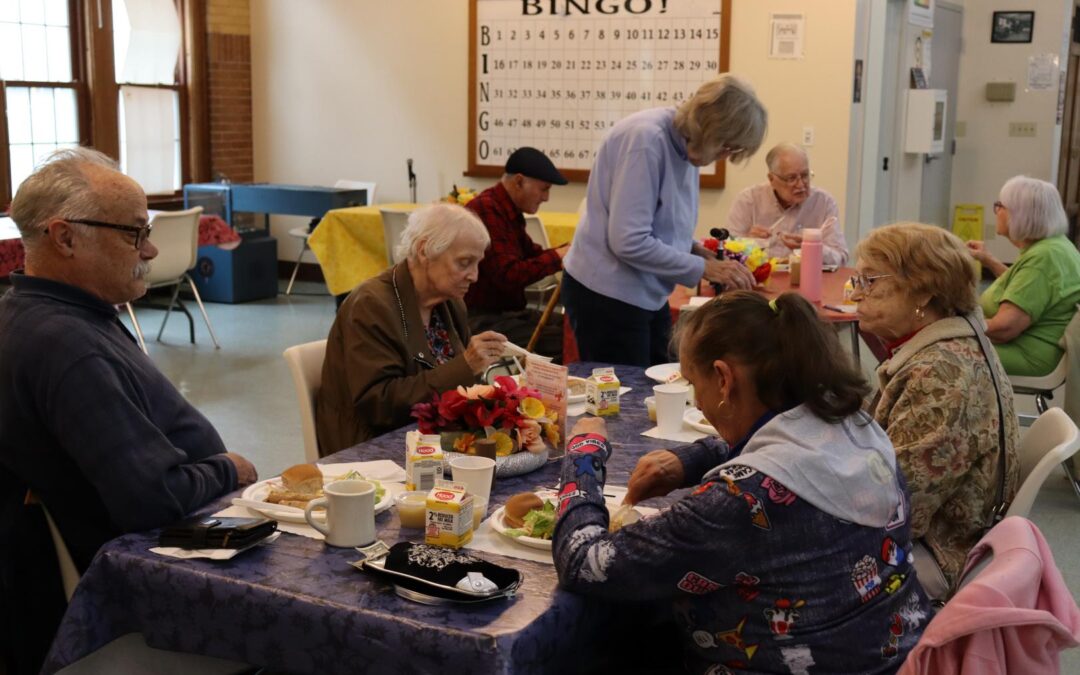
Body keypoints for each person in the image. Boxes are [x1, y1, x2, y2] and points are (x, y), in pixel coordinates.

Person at [554, 291, 930, 673]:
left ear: (723, 378)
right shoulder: (858, 429)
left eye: (692, 383)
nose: (697, 402)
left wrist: (585, 449)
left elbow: (584, 560)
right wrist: (691, 459)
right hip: (892, 657)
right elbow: (781, 450)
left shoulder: (737, 501)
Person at [0, 148, 257, 672]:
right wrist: (230, 468)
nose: (152, 248)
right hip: (138, 584)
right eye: (134, 233)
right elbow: (154, 500)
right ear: (65, 237)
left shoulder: (44, 312)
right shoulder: (68, 346)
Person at [853, 223, 1019, 599]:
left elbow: (894, 510)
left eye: (869, 281)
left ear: (924, 292)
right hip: (935, 532)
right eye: (856, 280)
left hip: (937, 552)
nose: (855, 295)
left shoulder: (940, 376)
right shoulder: (947, 342)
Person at [562, 74, 765, 367]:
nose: (723, 157)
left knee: (662, 381)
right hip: (607, 294)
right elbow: (628, 241)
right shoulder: (647, 141)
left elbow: (661, 221)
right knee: (626, 399)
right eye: (726, 147)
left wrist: (694, 248)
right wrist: (705, 268)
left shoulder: (688, 144)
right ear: (709, 128)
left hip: (644, 294)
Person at [317, 203, 507, 454]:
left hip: (429, 436)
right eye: (464, 263)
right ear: (423, 251)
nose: (474, 276)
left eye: (477, 264)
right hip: (372, 446)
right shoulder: (372, 305)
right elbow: (379, 404)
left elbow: (459, 389)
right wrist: (466, 365)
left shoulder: (450, 303)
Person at [966, 175, 1080, 376]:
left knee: (936, 352)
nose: (997, 211)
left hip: (1027, 353)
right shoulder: (1055, 245)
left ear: (1020, 215)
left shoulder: (1044, 258)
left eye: (1000, 206)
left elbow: (1004, 330)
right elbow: (1025, 289)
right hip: (1031, 347)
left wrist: (954, 325)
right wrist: (988, 259)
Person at [464, 147, 569, 360]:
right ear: (519, 181)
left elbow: (532, 255)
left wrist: (564, 252)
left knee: (575, 327)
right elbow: (508, 275)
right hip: (483, 318)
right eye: (544, 189)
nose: (546, 198)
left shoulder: (505, 209)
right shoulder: (486, 209)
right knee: (564, 340)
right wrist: (559, 256)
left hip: (508, 313)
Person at [726, 142, 849, 266]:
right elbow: (727, 253)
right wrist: (748, 243)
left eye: (805, 175)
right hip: (760, 280)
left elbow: (841, 258)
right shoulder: (748, 201)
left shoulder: (824, 202)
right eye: (791, 178)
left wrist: (812, 248)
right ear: (771, 179)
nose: (801, 184)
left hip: (807, 279)